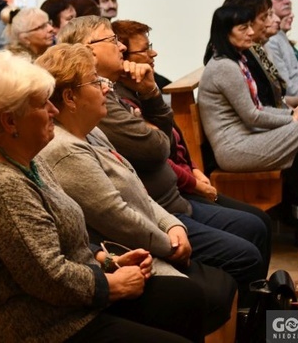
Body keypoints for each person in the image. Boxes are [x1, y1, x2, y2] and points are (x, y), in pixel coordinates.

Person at [0, 50, 205, 343]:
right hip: (41, 326)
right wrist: (112, 286)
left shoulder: (25, 158)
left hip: (70, 303)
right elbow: (49, 277)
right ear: (10, 122)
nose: (54, 110)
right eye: (42, 104)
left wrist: (108, 261)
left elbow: (63, 240)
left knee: (186, 297)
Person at [58, 15, 268, 307]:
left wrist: (151, 95)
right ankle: (254, 326)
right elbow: (155, 152)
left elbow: (168, 141)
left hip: (169, 205)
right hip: (161, 212)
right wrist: (169, 237)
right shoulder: (93, 109)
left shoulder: (110, 96)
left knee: (257, 225)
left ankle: (261, 321)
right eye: (112, 40)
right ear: (88, 50)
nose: (120, 48)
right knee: (246, 249)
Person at [35, 44, 237, 337]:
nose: (106, 88)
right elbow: (116, 215)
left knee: (227, 275)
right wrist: (169, 246)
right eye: (96, 81)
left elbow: (137, 189)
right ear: (70, 97)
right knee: (209, 289)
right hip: (131, 252)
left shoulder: (91, 129)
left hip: (149, 239)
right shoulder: (65, 150)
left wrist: (172, 225)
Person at [114, 18, 274, 270]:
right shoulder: (122, 100)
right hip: (170, 200)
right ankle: (248, 305)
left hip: (181, 188)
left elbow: (176, 140)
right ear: (122, 56)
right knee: (251, 235)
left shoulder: (142, 87)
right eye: (144, 49)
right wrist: (194, 182)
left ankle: (260, 300)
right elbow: (159, 152)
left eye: (150, 45)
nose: (153, 52)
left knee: (259, 223)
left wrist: (195, 168)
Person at [199, 4, 298, 215]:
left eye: (249, 26)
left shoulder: (237, 60)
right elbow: (253, 115)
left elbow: (257, 108)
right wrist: (294, 118)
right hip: (235, 148)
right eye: (242, 28)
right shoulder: (224, 66)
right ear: (225, 32)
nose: (250, 32)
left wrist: (294, 115)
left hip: (247, 138)